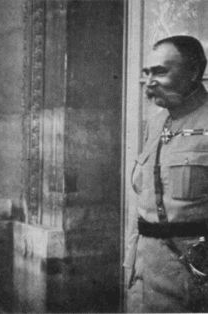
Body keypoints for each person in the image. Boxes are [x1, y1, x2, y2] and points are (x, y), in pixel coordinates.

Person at [125, 35, 208, 312]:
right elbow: (144, 200)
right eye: (146, 72)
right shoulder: (157, 121)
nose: (149, 82)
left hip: (190, 285)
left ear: (194, 72)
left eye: (160, 71)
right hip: (142, 278)